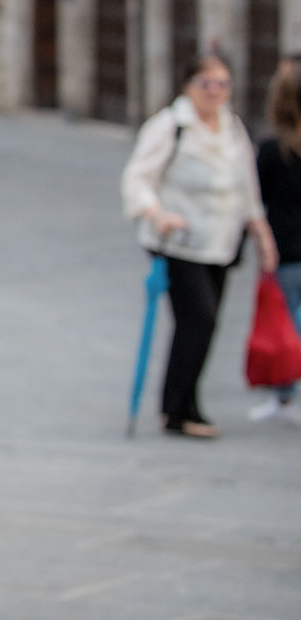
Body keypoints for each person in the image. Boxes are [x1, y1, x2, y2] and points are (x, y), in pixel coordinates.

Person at [121, 54, 280, 438]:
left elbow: (246, 186)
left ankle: (185, 403)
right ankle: (177, 411)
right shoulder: (170, 126)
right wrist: (156, 213)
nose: (215, 92)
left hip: (221, 242)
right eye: (206, 84)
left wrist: (261, 233)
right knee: (200, 318)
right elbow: (137, 177)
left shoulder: (231, 127)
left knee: (203, 325)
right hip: (178, 241)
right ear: (188, 86)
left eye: (222, 84)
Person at [250, 64, 301, 422]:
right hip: (286, 253)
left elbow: (255, 202)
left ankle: (283, 396)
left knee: (287, 327)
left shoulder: (270, 151)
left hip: (284, 252)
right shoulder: (270, 151)